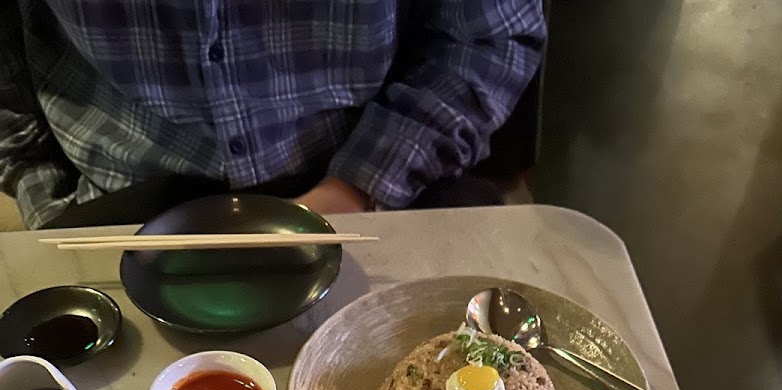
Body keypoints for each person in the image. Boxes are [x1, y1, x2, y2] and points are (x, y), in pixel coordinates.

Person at [0, 1, 547, 229]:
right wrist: (43, 201)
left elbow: (489, 37)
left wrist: (354, 189)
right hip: (115, 198)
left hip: (369, 172)